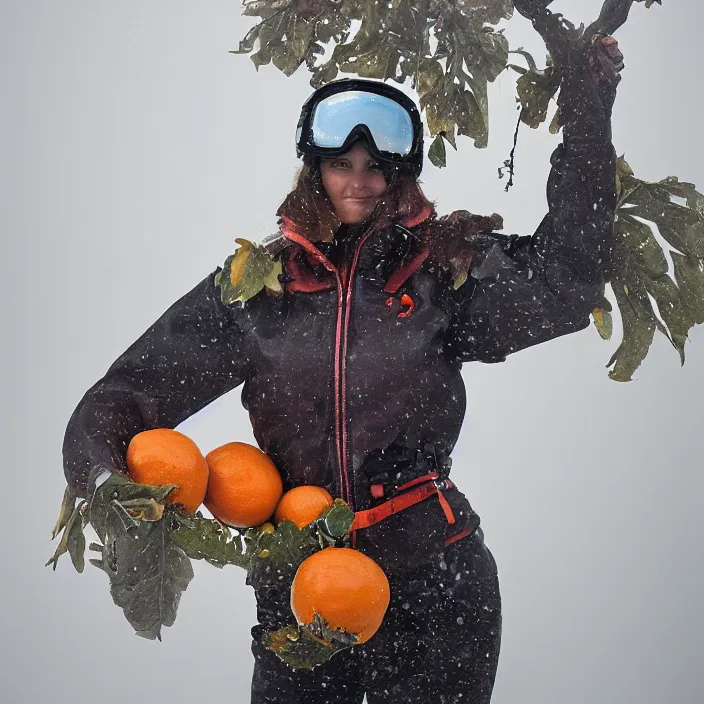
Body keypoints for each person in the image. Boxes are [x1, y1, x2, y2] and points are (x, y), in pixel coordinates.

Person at [62, 35, 624, 704]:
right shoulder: (256, 289)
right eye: (341, 162)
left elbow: (564, 284)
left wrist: (589, 117)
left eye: (376, 164)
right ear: (314, 168)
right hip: (299, 591)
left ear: (401, 173)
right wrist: (103, 480)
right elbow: (127, 393)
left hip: (435, 588)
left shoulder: (442, 272)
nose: (359, 178)